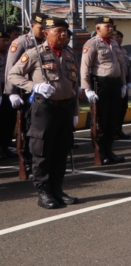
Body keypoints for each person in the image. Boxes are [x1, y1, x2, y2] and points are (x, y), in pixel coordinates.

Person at [8, 18, 79, 209]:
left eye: (65, 30)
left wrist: (75, 110)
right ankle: (43, 191)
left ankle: (57, 189)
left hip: (65, 108)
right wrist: (34, 86)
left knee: (61, 150)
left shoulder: (70, 54)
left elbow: (74, 84)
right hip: (44, 108)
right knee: (42, 152)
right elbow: (13, 75)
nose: (63, 34)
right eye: (58, 30)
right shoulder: (34, 54)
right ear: (46, 33)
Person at [4, 13, 48, 176]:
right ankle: (28, 163)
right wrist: (11, 93)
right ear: (32, 26)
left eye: (46, 27)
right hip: (25, 93)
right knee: (28, 131)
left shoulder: (45, 42)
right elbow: (11, 69)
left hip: (43, 94)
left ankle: (39, 162)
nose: (43, 30)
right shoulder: (21, 42)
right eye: (40, 27)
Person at [81, 16, 128, 166]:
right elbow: (85, 67)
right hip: (101, 85)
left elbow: (121, 66)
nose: (110, 28)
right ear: (97, 28)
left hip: (115, 85)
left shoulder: (114, 43)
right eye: (106, 26)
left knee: (112, 121)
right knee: (101, 121)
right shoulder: (92, 44)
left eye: (111, 26)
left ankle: (109, 150)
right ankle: (100, 153)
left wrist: (123, 84)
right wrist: (87, 89)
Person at [112, 30, 131, 141]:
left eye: (120, 37)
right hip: (115, 82)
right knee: (114, 109)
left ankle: (119, 129)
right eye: (116, 37)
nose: (118, 39)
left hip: (124, 83)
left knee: (123, 108)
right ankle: (113, 130)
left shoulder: (124, 51)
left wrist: (130, 81)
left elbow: (128, 67)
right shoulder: (112, 50)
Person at [0, 30, 14, 158]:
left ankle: (5, 146)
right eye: (3, 40)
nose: (6, 43)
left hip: (8, 90)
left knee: (8, 119)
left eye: (7, 40)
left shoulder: (11, 53)